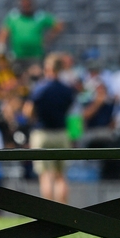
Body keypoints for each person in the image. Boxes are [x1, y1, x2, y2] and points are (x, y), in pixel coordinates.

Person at [22, 52, 75, 204]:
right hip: (61, 133)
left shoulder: (41, 88)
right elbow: (70, 109)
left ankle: (49, 213)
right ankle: (64, 211)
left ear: (48, 68)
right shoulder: (66, 89)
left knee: (45, 175)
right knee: (61, 175)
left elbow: (28, 111)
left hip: (42, 133)